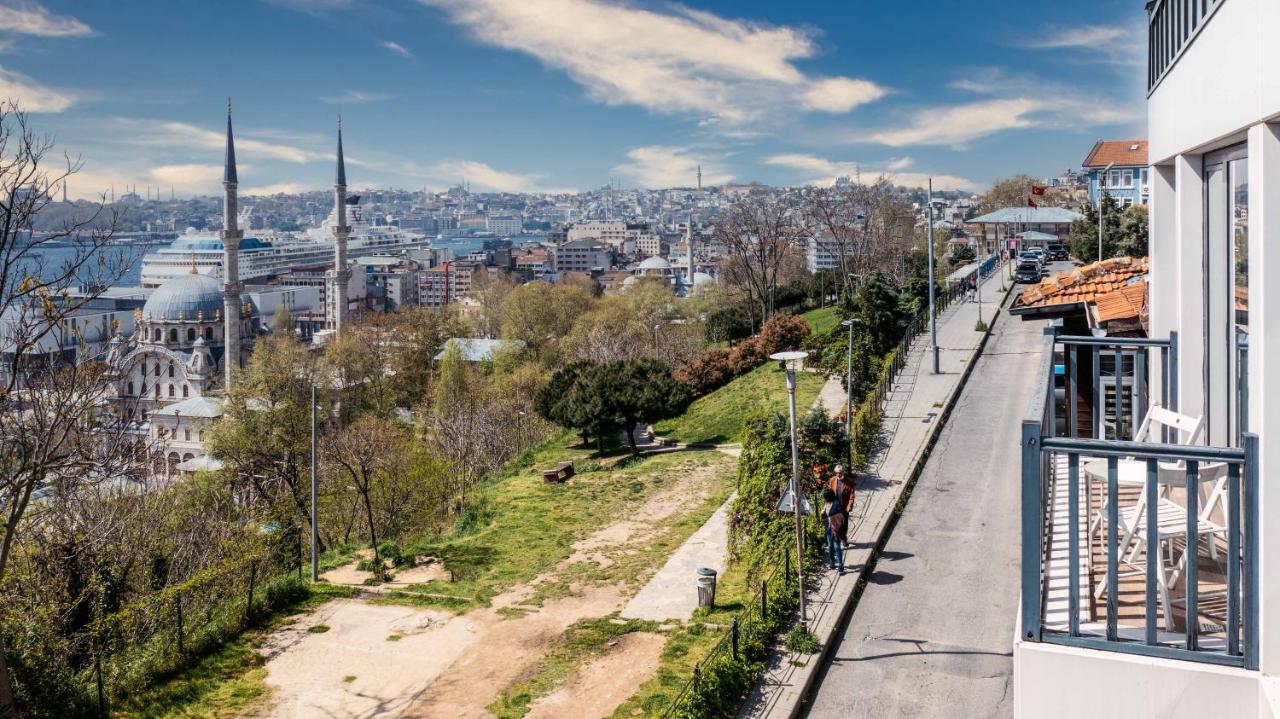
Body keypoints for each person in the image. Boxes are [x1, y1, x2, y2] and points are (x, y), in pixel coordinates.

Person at [822, 488, 846, 573]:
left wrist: (833, 518)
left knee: (837, 547)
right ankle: (832, 561)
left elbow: (842, 516)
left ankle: (840, 565)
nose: (824, 499)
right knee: (830, 546)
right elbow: (825, 516)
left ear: (828, 497)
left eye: (825, 497)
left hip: (836, 530)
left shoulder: (837, 504)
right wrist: (823, 513)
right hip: (829, 529)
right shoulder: (826, 504)